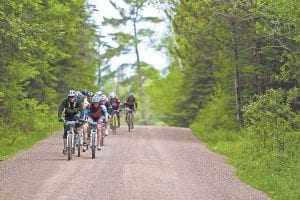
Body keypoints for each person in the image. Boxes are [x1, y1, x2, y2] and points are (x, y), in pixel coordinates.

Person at [58, 90, 84, 154]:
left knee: (77, 123)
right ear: (68, 97)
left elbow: (81, 110)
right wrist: (60, 117)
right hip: (67, 116)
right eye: (70, 97)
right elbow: (60, 109)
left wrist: (81, 118)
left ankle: (77, 136)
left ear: (75, 97)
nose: (71, 98)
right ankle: (65, 147)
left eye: (73, 97)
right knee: (66, 131)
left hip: (75, 115)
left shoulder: (78, 101)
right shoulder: (65, 101)